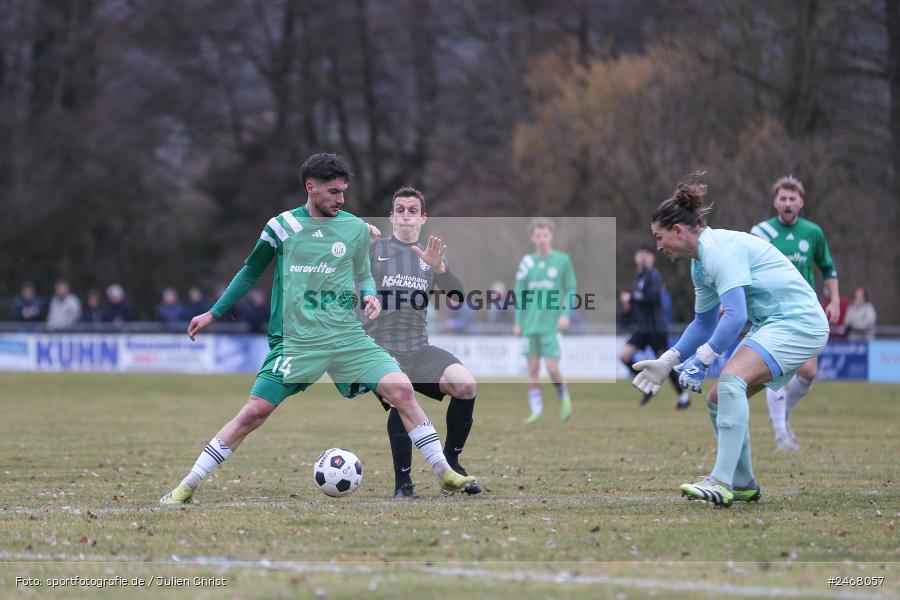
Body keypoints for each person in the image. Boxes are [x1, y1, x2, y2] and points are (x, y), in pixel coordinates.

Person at [159, 153, 476, 505]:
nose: (341, 199)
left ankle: (443, 471)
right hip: (298, 341)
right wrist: (214, 313)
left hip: (348, 338)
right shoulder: (280, 228)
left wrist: (369, 295)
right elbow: (250, 271)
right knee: (252, 413)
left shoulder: (354, 228)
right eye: (334, 192)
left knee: (401, 390)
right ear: (311, 188)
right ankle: (188, 483)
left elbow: (362, 274)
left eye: (344, 191)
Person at [633, 172, 829, 506]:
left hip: (798, 322)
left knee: (730, 382)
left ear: (678, 231)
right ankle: (742, 482)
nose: (658, 246)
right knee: (717, 399)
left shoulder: (718, 250)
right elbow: (704, 322)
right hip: (774, 323)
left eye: (659, 236)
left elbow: (735, 315)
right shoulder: (700, 264)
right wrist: (669, 361)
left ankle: (720, 482)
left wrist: (704, 359)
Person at [362, 186, 480, 500]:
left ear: (423, 218)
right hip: (381, 349)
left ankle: (452, 463)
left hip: (419, 348)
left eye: (412, 210)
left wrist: (440, 268)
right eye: (399, 209)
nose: (405, 215)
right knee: (402, 396)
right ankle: (403, 484)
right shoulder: (375, 249)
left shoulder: (431, 256)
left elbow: (457, 297)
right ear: (391, 217)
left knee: (465, 385)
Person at [750, 175, 840, 450]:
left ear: (801, 202)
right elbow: (745, 268)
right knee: (776, 372)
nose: (787, 203)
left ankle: (783, 415)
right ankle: (781, 435)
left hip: (804, 310)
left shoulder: (813, 232)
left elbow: (827, 268)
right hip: (772, 310)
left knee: (809, 372)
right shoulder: (761, 232)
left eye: (792, 198)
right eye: (783, 198)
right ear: (775, 202)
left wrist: (834, 299)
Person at [514, 218, 576, 424]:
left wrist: (566, 314)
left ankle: (564, 397)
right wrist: (518, 321)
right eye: (538, 236)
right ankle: (536, 411)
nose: (542, 239)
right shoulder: (527, 262)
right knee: (532, 369)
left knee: (551, 367)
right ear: (532, 238)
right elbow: (519, 294)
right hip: (530, 325)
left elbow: (571, 289)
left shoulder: (562, 260)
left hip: (551, 325)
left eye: (545, 235)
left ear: (551, 236)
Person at [618, 244, 690, 409]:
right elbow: (638, 305)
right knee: (624, 356)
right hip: (642, 329)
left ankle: (683, 397)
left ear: (652, 258)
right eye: (640, 253)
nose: (642, 257)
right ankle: (648, 385)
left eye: (646, 254)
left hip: (656, 329)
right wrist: (627, 311)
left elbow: (653, 298)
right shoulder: (639, 278)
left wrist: (632, 298)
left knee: (665, 365)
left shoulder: (654, 276)